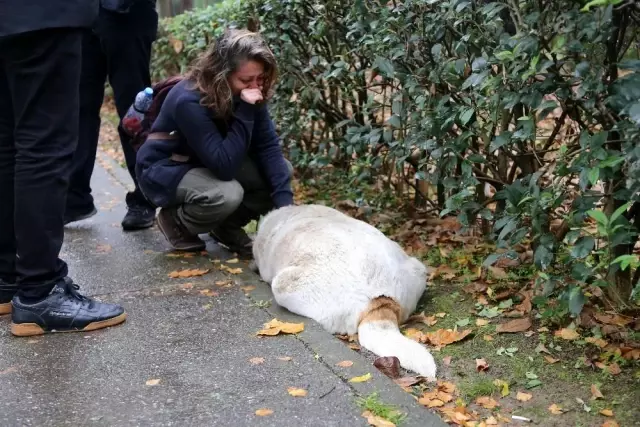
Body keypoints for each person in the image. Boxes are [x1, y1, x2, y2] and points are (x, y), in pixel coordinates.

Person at [0, 0, 127, 336]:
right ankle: (40, 292)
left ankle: (7, 277)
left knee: (9, 143)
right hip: (42, 13)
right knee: (44, 145)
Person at [135, 29, 294, 257]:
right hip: (166, 167)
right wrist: (247, 110)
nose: (255, 87)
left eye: (260, 79)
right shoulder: (188, 100)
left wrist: (286, 214)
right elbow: (224, 166)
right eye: (246, 80)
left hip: (206, 159)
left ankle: (226, 228)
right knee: (226, 194)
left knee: (280, 172)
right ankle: (176, 222)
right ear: (221, 74)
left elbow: (268, 148)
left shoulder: (249, 91)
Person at [64, 0, 158, 231]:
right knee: (80, 107)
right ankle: (75, 198)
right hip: (83, 16)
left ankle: (146, 197)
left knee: (134, 107)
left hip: (129, 12)